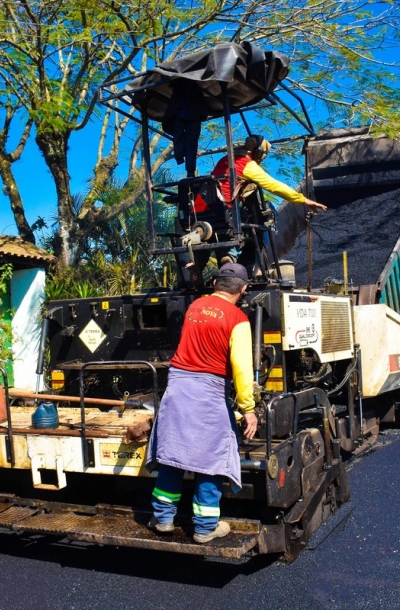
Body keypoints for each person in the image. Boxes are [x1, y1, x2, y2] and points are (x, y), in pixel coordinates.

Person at [145, 263, 258, 543]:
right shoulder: (238, 319)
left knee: (173, 455)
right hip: (208, 394)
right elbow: (242, 367)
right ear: (243, 289)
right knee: (211, 460)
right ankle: (206, 527)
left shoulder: (195, 307)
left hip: (177, 389)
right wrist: (248, 408)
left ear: (215, 285)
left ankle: (163, 520)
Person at [185, 135, 327, 285]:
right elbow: (274, 186)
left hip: (198, 214)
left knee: (209, 237)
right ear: (258, 152)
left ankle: (197, 263)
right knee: (244, 225)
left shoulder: (226, 159)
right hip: (223, 212)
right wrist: (303, 199)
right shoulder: (247, 165)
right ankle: (230, 257)